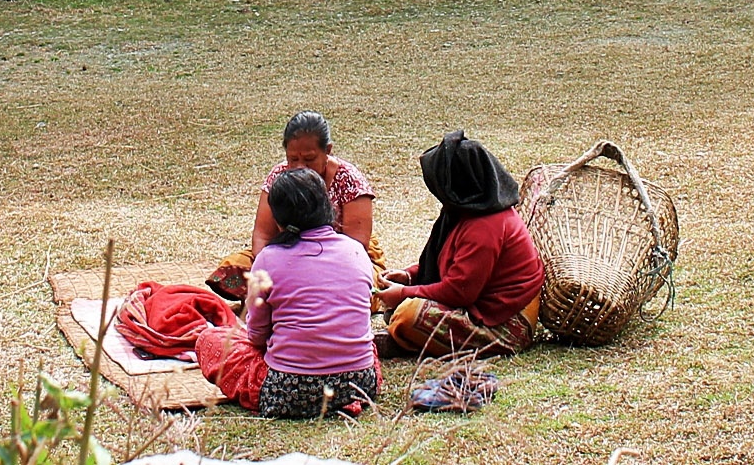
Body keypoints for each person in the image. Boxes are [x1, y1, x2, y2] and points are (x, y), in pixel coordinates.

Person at [195, 168, 378, 418]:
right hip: (360, 384)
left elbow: (257, 337)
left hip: (288, 392)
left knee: (211, 340)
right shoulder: (357, 252)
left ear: (279, 219)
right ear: (328, 208)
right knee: (365, 345)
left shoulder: (268, 260)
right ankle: (342, 401)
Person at [375, 130, 544, 359]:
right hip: (480, 303)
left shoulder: (487, 225)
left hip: (506, 323)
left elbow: (460, 291)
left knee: (409, 315)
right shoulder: (468, 211)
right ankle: (413, 340)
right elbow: (451, 264)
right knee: (402, 311)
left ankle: (410, 341)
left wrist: (404, 293)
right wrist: (410, 276)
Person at [206, 110, 385, 301]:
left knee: (363, 289)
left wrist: (305, 271)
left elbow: (356, 248)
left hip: (339, 262)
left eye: (309, 159)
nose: (300, 167)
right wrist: (272, 267)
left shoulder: (349, 180)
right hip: (286, 254)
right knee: (234, 269)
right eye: (293, 159)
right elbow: (263, 235)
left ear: (328, 151)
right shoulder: (278, 176)